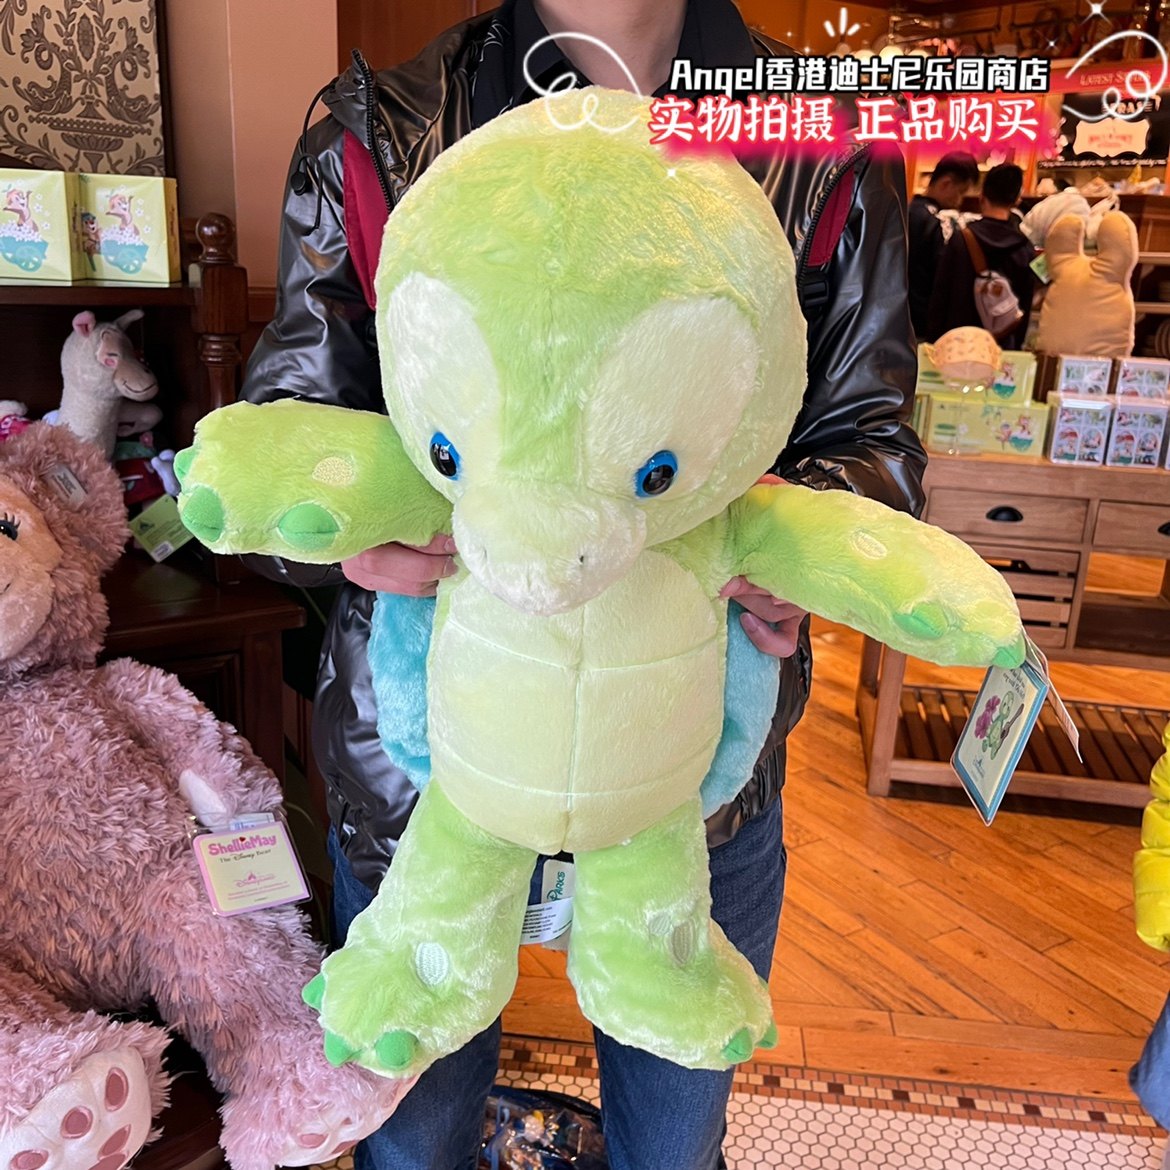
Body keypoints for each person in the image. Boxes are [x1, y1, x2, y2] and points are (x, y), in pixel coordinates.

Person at [241, 1, 926, 1167]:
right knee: (412, 1133)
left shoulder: (822, 146)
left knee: (675, 1129)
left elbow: (873, 440)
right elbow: (281, 442)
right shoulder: (382, 131)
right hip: (429, 757)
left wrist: (792, 547)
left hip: (692, 758)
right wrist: (349, 525)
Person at [927, 163, 1036, 349]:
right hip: (1000, 348)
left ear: (981, 197)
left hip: (958, 345)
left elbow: (940, 298)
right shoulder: (1024, 248)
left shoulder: (960, 240)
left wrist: (933, 341)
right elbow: (1025, 307)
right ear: (1016, 201)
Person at [907, 151, 981, 339]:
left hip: (898, 319)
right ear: (946, 183)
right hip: (923, 322)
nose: (960, 200)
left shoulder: (905, 211)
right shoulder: (938, 222)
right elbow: (943, 277)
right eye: (961, 192)